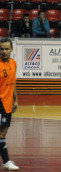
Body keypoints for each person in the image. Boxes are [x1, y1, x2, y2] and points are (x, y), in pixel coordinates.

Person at [0, 38, 19, 170]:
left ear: (11, 49)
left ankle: (6, 162)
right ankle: (6, 162)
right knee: (1, 133)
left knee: (3, 133)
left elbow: (13, 83)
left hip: (8, 104)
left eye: (6, 49)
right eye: (1, 49)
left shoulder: (13, 63)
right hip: (0, 104)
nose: (4, 51)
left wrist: (16, 100)